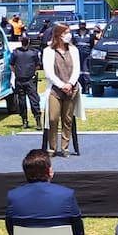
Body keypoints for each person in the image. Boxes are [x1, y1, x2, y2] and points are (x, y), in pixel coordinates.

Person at [41, 22, 80, 157]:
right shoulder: (48, 51)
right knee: (53, 118)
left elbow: (77, 70)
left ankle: (65, 148)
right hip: (55, 90)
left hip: (71, 90)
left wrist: (70, 84)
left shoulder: (73, 50)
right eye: (66, 32)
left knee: (67, 119)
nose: (69, 35)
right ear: (59, 34)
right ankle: (52, 148)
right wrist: (61, 85)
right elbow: (49, 73)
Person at [10, 34, 42, 130]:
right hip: (19, 80)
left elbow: (38, 65)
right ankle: (24, 121)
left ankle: (38, 121)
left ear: (28, 40)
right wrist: (19, 73)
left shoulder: (33, 53)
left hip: (30, 80)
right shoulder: (16, 52)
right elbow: (11, 65)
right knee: (22, 102)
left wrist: (30, 72)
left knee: (34, 101)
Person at [73, 20, 93, 94]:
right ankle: (81, 86)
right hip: (77, 55)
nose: (82, 26)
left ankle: (87, 87)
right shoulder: (74, 34)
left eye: (83, 24)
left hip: (87, 55)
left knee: (86, 71)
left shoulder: (90, 34)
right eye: (81, 24)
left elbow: (92, 44)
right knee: (78, 72)